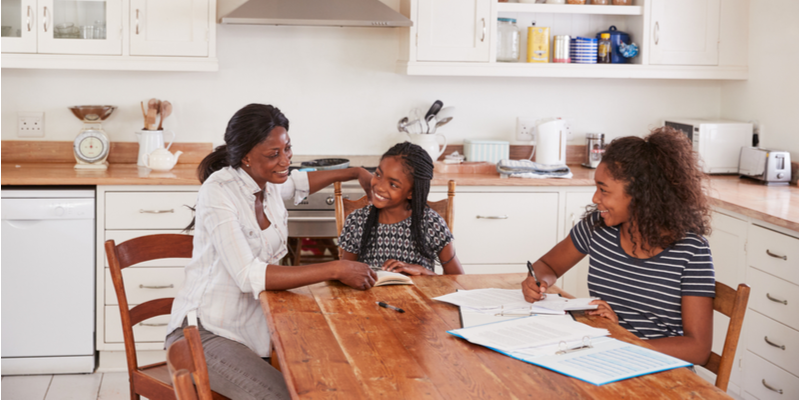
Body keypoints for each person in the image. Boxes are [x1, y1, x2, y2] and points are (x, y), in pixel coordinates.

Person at [165, 103, 377, 400]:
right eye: (273, 154)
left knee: (331, 380)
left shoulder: (268, 181)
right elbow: (247, 275)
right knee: (284, 396)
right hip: (204, 333)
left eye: (288, 149)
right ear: (245, 157)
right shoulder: (219, 191)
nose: (285, 161)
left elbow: (298, 182)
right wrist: (335, 268)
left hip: (253, 328)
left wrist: (355, 172)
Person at [521, 127, 715, 365]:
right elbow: (548, 265)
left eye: (603, 190)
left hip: (662, 371)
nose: (595, 198)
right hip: (607, 357)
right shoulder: (597, 228)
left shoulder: (691, 251)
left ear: (641, 195)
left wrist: (621, 343)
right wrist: (538, 282)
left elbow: (697, 349)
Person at [339, 142, 464, 275]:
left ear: (411, 192)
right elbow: (345, 273)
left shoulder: (431, 223)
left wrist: (423, 272)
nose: (380, 187)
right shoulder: (357, 221)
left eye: (393, 184)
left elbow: (457, 280)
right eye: (378, 175)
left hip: (418, 296)